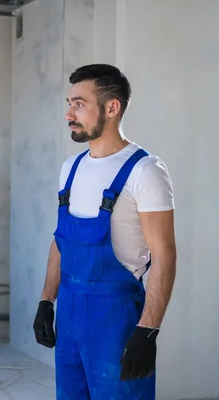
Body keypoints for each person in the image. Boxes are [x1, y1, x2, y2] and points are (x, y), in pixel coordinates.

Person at [32, 64, 177, 399]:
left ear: (112, 108)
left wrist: (148, 329)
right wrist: (46, 300)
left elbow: (165, 254)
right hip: (68, 312)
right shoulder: (71, 168)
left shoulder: (145, 171)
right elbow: (61, 240)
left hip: (116, 318)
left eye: (79, 103)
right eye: (69, 102)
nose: (69, 113)